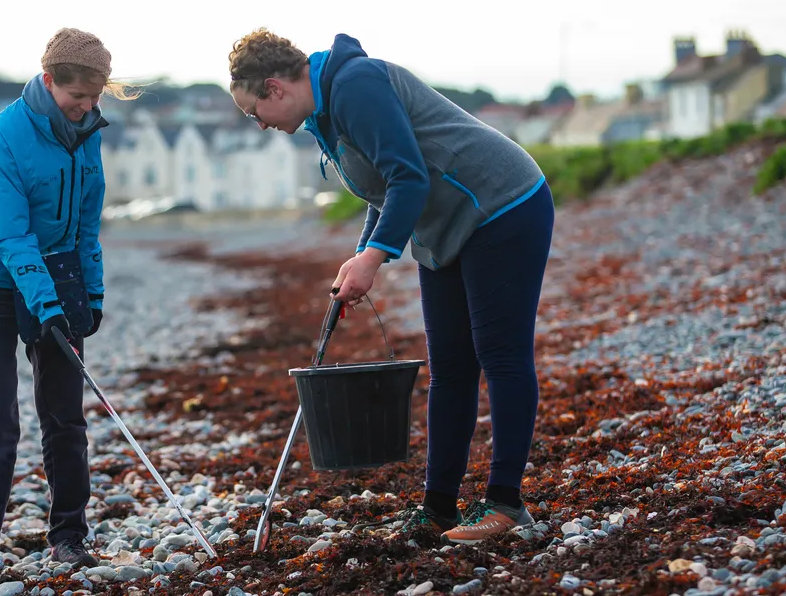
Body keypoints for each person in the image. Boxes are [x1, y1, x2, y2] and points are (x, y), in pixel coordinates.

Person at [226, 29, 555, 546]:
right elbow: (383, 190)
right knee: (449, 366)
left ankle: (507, 506)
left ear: (274, 87)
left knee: (500, 354)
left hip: (502, 205)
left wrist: (375, 260)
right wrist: (362, 256)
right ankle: (439, 509)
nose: (261, 124)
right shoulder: (324, 113)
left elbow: (408, 177)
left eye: (254, 112)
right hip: (444, 227)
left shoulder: (355, 85)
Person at [0, 27, 140, 576]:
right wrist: (46, 303)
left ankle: (69, 536)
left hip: (56, 272)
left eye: (94, 98)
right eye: (75, 96)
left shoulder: (89, 132)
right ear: (48, 79)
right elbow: (10, 235)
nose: (84, 108)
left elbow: (86, 224)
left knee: (65, 414)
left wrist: (91, 291)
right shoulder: (4, 136)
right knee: (0, 413)